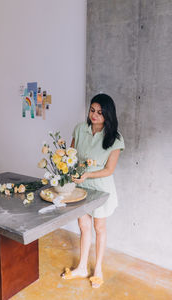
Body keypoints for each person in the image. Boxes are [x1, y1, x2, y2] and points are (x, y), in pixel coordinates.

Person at [61, 93, 125, 288]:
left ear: (108, 114)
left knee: (99, 228)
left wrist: (87, 175)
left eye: (100, 112)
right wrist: (66, 169)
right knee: (84, 227)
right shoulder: (79, 129)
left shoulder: (115, 138)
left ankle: (98, 269)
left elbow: (109, 170)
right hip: (80, 188)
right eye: (92, 110)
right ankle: (81, 267)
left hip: (100, 189)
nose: (95, 115)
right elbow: (71, 157)